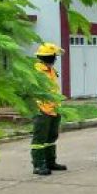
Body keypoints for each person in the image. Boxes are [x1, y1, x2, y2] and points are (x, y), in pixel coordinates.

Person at [31, 43, 66, 176]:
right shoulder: (37, 71)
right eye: (54, 56)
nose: (56, 59)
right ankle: (39, 164)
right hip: (41, 110)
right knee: (39, 139)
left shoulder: (50, 70)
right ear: (49, 57)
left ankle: (50, 162)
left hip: (54, 109)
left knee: (51, 137)